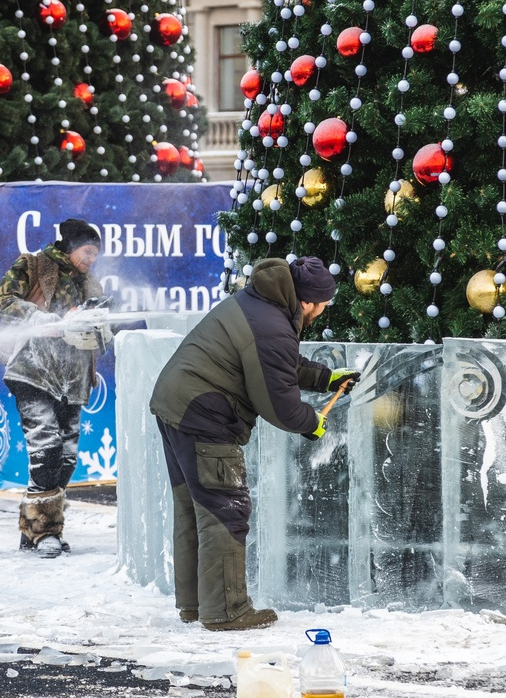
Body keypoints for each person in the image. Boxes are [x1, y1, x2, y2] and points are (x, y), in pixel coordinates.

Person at [149, 256, 361, 630]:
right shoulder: (272, 324)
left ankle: (196, 604)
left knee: (194, 507)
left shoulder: (261, 304)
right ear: (309, 301)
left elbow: (278, 364)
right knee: (225, 509)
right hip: (204, 414)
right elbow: (277, 402)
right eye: (324, 305)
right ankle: (227, 610)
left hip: (176, 405)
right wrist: (311, 422)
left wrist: (326, 378)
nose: (323, 312)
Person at [0, 218, 112, 558]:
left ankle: (34, 530)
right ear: (71, 247)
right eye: (87, 251)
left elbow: (101, 334)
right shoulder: (32, 264)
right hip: (32, 371)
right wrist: (37, 318)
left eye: (96, 254)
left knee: (67, 458)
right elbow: (1, 299)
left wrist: (93, 324)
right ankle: (46, 533)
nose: (91, 259)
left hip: (73, 379)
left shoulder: (91, 284)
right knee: (46, 448)